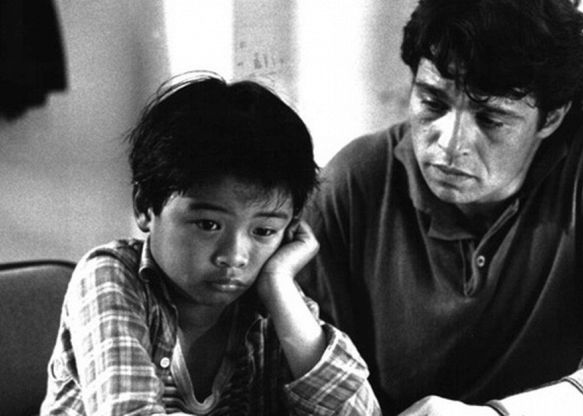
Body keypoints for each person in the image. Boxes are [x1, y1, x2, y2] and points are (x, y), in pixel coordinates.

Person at [297, 0, 583, 415]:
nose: (449, 144)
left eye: (491, 119)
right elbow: (303, 377)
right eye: (432, 103)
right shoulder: (354, 181)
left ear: (551, 118)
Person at [40, 73, 381, 415]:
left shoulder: (272, 301)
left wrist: (278, 284)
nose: (234, 256)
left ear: (289, 230)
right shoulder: (110, 276)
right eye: (208, 225)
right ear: (145, 206)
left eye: (264, 231)